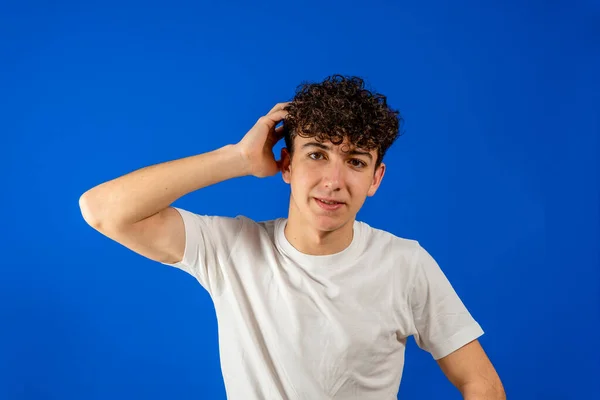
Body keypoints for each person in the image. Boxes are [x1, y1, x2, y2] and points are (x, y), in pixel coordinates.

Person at [79, 75, 505, 399]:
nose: (333, 181)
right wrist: (240, 158)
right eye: (317, 154)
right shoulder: (230, 249)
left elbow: (479, 380)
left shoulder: (405, 263)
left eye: (355, 162)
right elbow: (102, 211)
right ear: (287, 164)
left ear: (376, 179)